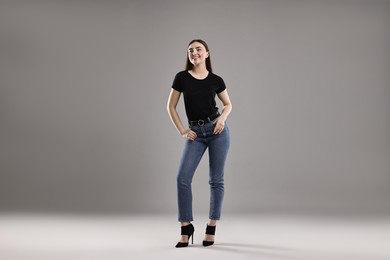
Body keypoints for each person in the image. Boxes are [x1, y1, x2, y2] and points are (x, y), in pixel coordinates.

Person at [166, 39, 232, 248]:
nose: (194, 53)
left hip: (217, 131)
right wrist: (183, 131)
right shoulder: (182, 78)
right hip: (195, 132)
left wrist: (221, 119)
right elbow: (171, 107)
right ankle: (186, 227)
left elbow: (228, 104)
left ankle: (211, 226)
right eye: (190, 50)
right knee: (182, 178)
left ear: (207, 54)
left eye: (198, 49)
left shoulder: (216, 80)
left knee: (216, 180)